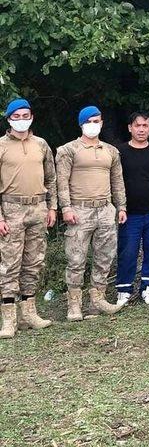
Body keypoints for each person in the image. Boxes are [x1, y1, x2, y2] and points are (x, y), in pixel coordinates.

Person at [56, 105, 127, 321]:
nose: (93, 125)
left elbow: (117, 180)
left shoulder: (111, 151)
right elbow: (62, 181)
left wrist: (121, 206)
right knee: (76, 259)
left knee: (104, 257)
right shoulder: (68, 150)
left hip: (105, 209)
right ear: (81, 124)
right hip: (80, 210)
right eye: (89, 121)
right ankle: (74, 305)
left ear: (102, 123)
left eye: (97, 121)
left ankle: (98, 300)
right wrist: (66, 207)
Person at [0, 99, 57, 339]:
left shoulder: (41, 144)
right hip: (11, 208)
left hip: (38, 208)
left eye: (26, 115)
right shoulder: (1, 145)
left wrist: (52, 207)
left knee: (34, 262)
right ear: (9, 118)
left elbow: (51, 178)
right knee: (9, 264)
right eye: (17, 115)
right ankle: (8, 318)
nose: (22, 119)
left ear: (32, 116)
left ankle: (29, 312)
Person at [115, 112, 149, 306]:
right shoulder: (119, 152)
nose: (141, 129)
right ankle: (124, 290)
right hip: (129, 214)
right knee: (128, 251)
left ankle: (148, 287)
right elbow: (114, 180)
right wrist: (119, 207)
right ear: (130, 127)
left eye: (145, 126)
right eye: (137, 125)